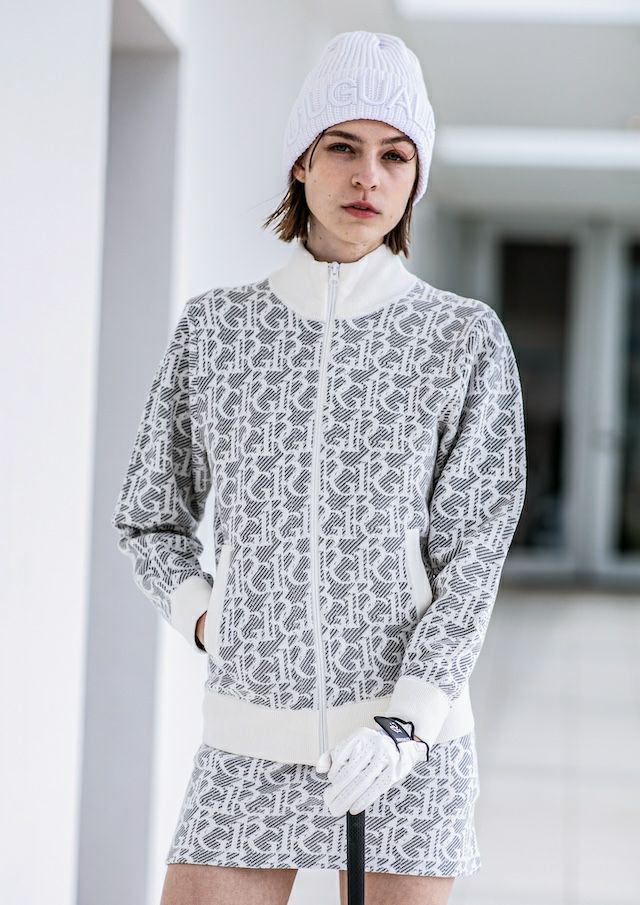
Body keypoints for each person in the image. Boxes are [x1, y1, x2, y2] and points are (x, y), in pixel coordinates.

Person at [111, 29, 527, 905]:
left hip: (404, 747)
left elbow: (473, 556)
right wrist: (210, 619)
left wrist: (408, 720)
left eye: (395, 155)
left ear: (415, 178)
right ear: (302, 162)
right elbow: (150, 514)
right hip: (247, 740)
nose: (367, 175)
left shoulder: (461, 339)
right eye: (343, 146)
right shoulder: (218, 330)